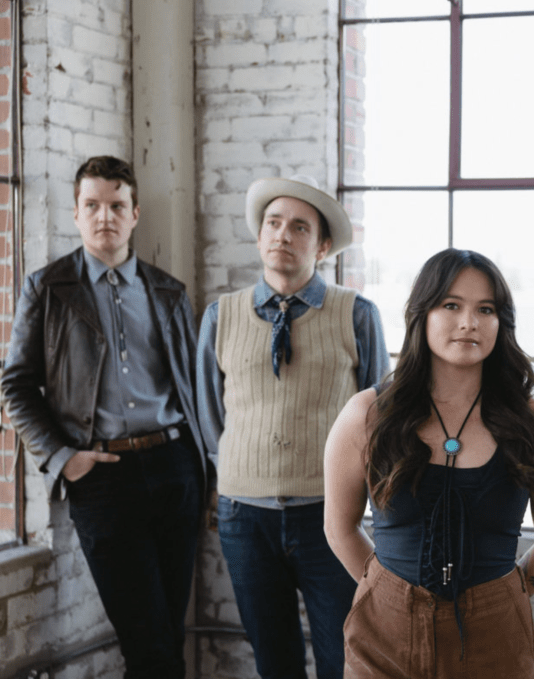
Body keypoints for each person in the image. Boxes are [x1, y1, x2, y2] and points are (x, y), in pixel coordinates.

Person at [324, 248, 534, 678]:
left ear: (501, 322)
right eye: (451, 305)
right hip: (383, 634)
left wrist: (501, 597)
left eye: (486, 309)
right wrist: (385, 589)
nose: (469, 322)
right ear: (422, 314)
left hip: (494, 635)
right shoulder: (367, 413)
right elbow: (339, 528)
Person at [0, 156, 208, 679]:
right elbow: (15, 386)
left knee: (169, 633)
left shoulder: (168, 291)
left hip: (175, 469)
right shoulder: (48, 289)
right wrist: (62, 457)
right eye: (92, 205)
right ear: (76, 213)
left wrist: (202, 463)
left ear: (135, 214)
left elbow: (195, 386)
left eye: (116, 205)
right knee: (148, 643)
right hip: (102, 478)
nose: (104, 217)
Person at [196, 175, 388, 679]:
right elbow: (208, 414)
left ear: (322, 246)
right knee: (274, 661)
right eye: (273, 223)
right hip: (244, 518)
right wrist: (229, 476)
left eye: (300, 227)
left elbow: (379, 418)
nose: (283, 234)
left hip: (331, 515)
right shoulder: (220, 316)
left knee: (343, 659)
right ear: (260, 235)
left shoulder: (357, 314)